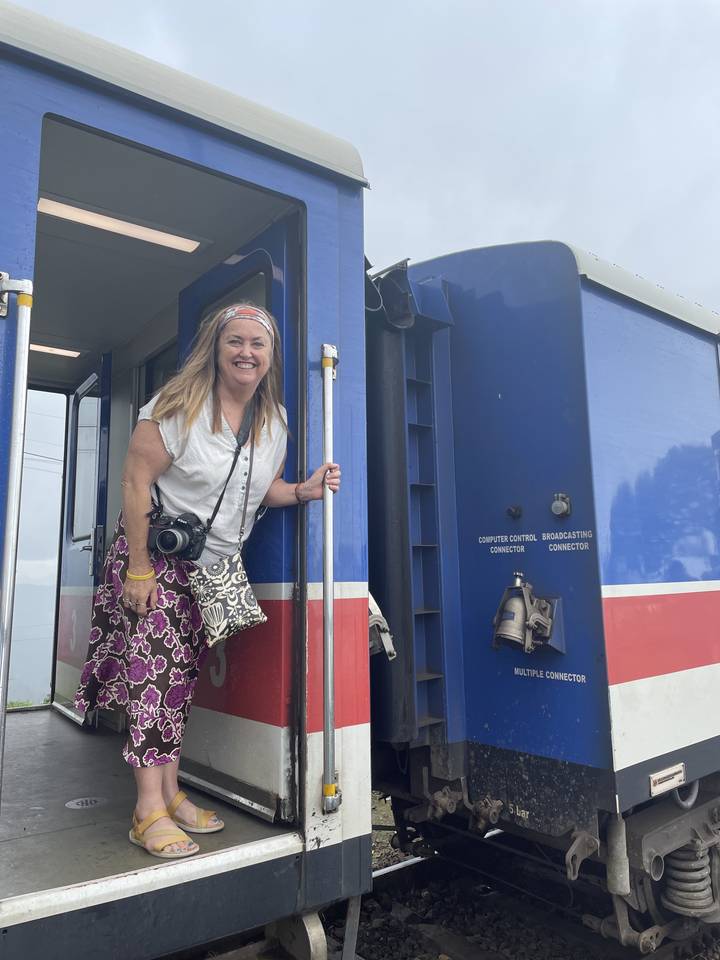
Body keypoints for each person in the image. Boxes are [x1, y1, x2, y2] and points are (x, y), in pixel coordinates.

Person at [74, 303, 340, 859]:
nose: (246, 352)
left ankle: (170, 794)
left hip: (212, 568)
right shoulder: (177, 405)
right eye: (235, 342)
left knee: (180, 680)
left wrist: (303, 491)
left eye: (257, 344)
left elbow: (257, 488)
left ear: (270, 357)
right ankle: (147, 809)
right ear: (216, 351)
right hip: (156, 556)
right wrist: (140, 568)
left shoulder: (274, 424)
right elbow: (135, 478)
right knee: (153, 677)